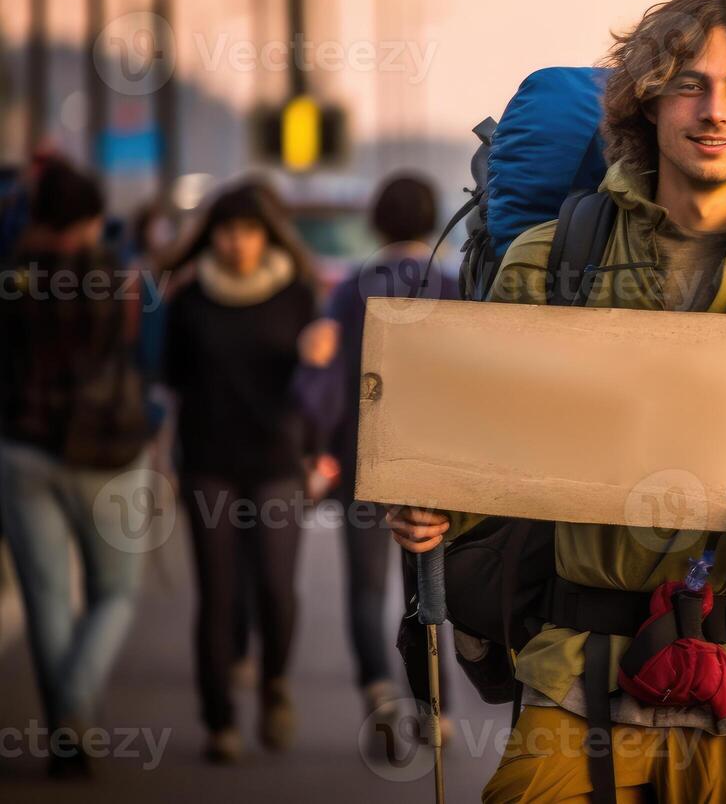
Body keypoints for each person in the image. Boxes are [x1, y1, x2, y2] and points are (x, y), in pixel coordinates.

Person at [389, 0, 726, 802]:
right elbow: (484, 452)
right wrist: (436, 508)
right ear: (646, 105)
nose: (715, 111)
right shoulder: (554, 254)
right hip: (575, 674)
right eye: (689, 84)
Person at [0, 160, 153, 779]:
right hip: (108, 450)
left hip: (21, 448)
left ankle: (67, 730)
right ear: (91, 219)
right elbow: (147, 358)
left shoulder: (11, 279)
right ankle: (72, 709)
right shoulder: (119, 278)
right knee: (115, 592)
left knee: (45, 597)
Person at [161, 180, 321, 763]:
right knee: (218, 596)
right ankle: (219, 721)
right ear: (212, 235)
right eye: (227, 231)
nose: (237, 243)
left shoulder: (296, 293)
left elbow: (314, 385)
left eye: (249, 231)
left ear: (266, 234)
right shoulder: (189, 299)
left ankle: (275, 683)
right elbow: (172, 381)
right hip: (209, 463)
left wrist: (317, 449)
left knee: (277, 591)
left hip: (278, 460)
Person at [294, 173, 458, 729]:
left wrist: (319, 448)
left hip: (364, 458)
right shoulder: (451, 283)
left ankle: (377, 687)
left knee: (365, 584)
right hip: (432, 461)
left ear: (376, 221)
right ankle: (434, 706)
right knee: (426, 583)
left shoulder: (349, 289)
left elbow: (331, 382)